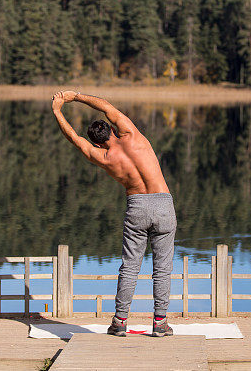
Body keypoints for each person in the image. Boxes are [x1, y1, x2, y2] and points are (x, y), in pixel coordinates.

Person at [51, 90, 177, 337]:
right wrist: (74, 96)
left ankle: (120, 322)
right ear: (111, 129)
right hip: (163, 204)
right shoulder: (132, 134)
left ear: (98, 142)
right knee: (162, 269)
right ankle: (160, 323)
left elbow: (75, 139)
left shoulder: (104, 157)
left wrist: (57, 110)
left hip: (137, 206)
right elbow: (105, 105)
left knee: (130, 267)